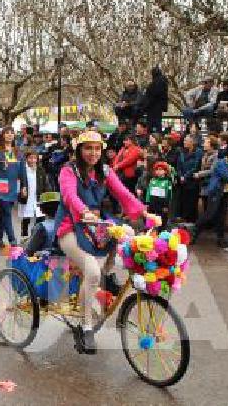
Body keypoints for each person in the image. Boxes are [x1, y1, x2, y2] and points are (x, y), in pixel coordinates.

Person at [54, 130, 153, 353]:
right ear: (79, 150)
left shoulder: (106, 171)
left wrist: (145, 214)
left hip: (96, 223)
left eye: (97, 148)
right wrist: (83, 212)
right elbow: (70, 196)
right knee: (92, 271)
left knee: (126, 233)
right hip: (70, 225)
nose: (93, 153)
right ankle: (86, 326)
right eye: (88, 148)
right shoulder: (68, 172)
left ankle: (106, 274)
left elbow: (124, 194)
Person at [0, 126, 29, 250]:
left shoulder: (17, 151)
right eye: (7, 133)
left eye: (12, 133)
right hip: (0, 186)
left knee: (3, 213)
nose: (10, 135)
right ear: (2, 135)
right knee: (7, 212)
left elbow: (23, 171)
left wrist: (24, 186)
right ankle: (12, 240)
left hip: (13, 187)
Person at [196, 144, 228, 246]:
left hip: (227, 192)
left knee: (222, 216)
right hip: (216, 191)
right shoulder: (221, 163)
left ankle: (220, 239)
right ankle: (194, 232)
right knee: (210, 214)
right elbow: (227, 177)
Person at [19, 150, 54, 240]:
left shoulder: (40, 169)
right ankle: (24, 235)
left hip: (38, 197)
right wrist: (20, 190)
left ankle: (35, 236)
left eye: (35, 158)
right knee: (26, 217)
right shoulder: (23, 169)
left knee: (40, 217)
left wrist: (48, 194)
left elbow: (46, 183)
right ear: (26, 159)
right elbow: (18, 181)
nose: (33, 160)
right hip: (27, 197)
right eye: (31, 158)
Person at [143, 66, 169, 133]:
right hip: (158, 107)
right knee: (157, 125)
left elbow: (154, 95)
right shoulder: (163, 81)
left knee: (153, 126)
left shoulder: (157, 82)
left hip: (153, 107)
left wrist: (146, 105)